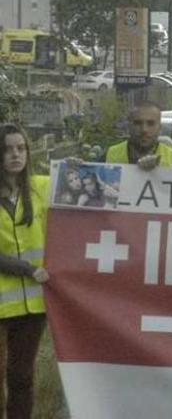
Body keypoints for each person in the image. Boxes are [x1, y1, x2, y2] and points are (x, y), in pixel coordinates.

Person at [0, 123, 50, 419]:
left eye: (20, 148)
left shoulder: (40, 187)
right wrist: (27, 268)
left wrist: (145, 169)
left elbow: (90, 185)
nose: (15, 155)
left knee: (21, 378)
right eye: (7, 150)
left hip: (32, 306)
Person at [105, 101, 172, 167]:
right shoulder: (109, 155)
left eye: (151, 124)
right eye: (137, 123)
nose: (144, 130)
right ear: (128, 127)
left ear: (160, 128)